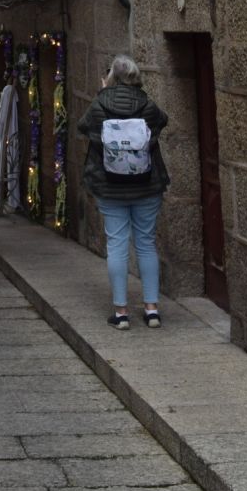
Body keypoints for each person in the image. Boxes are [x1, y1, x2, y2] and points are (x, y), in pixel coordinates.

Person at [78, 54, 169, 329]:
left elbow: (83, 127)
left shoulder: (99, 105)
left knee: (117, 245)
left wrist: (103, 93)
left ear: (111, 77)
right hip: (146, 185)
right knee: (146, 243)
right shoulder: (147, 105)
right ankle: (151, 309)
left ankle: (121, 313)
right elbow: (163, 121)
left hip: (110, 186)